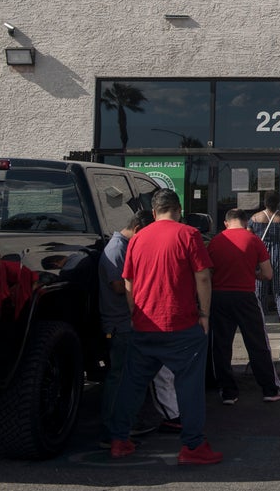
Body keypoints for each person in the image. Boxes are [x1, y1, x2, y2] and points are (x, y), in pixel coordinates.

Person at [106, 189, 222, 465]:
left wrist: (135, 314)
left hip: (145, 323)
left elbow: (129, 283)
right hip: (180, 323)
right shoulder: (188, 234)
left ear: (155, 212)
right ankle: (192, 446)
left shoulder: (138, 238)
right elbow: (203, 277)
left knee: (131, 384)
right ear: (178, 209)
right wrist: (204, 314)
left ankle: (119, 439)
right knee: (189, 386)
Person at [97, 211, 163, 446]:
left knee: (129, 377)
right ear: (136, 229)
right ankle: (111, 429)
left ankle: (125, 423)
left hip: (127, 323)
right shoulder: (117, 248)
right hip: (119, 325)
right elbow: (118, 286)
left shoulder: (123, 246)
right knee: (120, 377)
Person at [207, 207, 280, 405]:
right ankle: (269, 389)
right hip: (246, 296)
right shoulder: (254, 240)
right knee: (257, 343)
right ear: (246, 222)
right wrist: (254, 274)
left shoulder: (216, 241)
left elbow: (208, 273)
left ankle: (228, 392)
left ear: (226, 223)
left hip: (220, 297)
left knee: (221, 346)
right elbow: (267, 274)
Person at [251, 191, 280, 339]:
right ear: (278, 202)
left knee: (259, 292)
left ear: (264, 202)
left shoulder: (255, 218)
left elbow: (249, 239)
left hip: (261, 256)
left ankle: (258, 329)